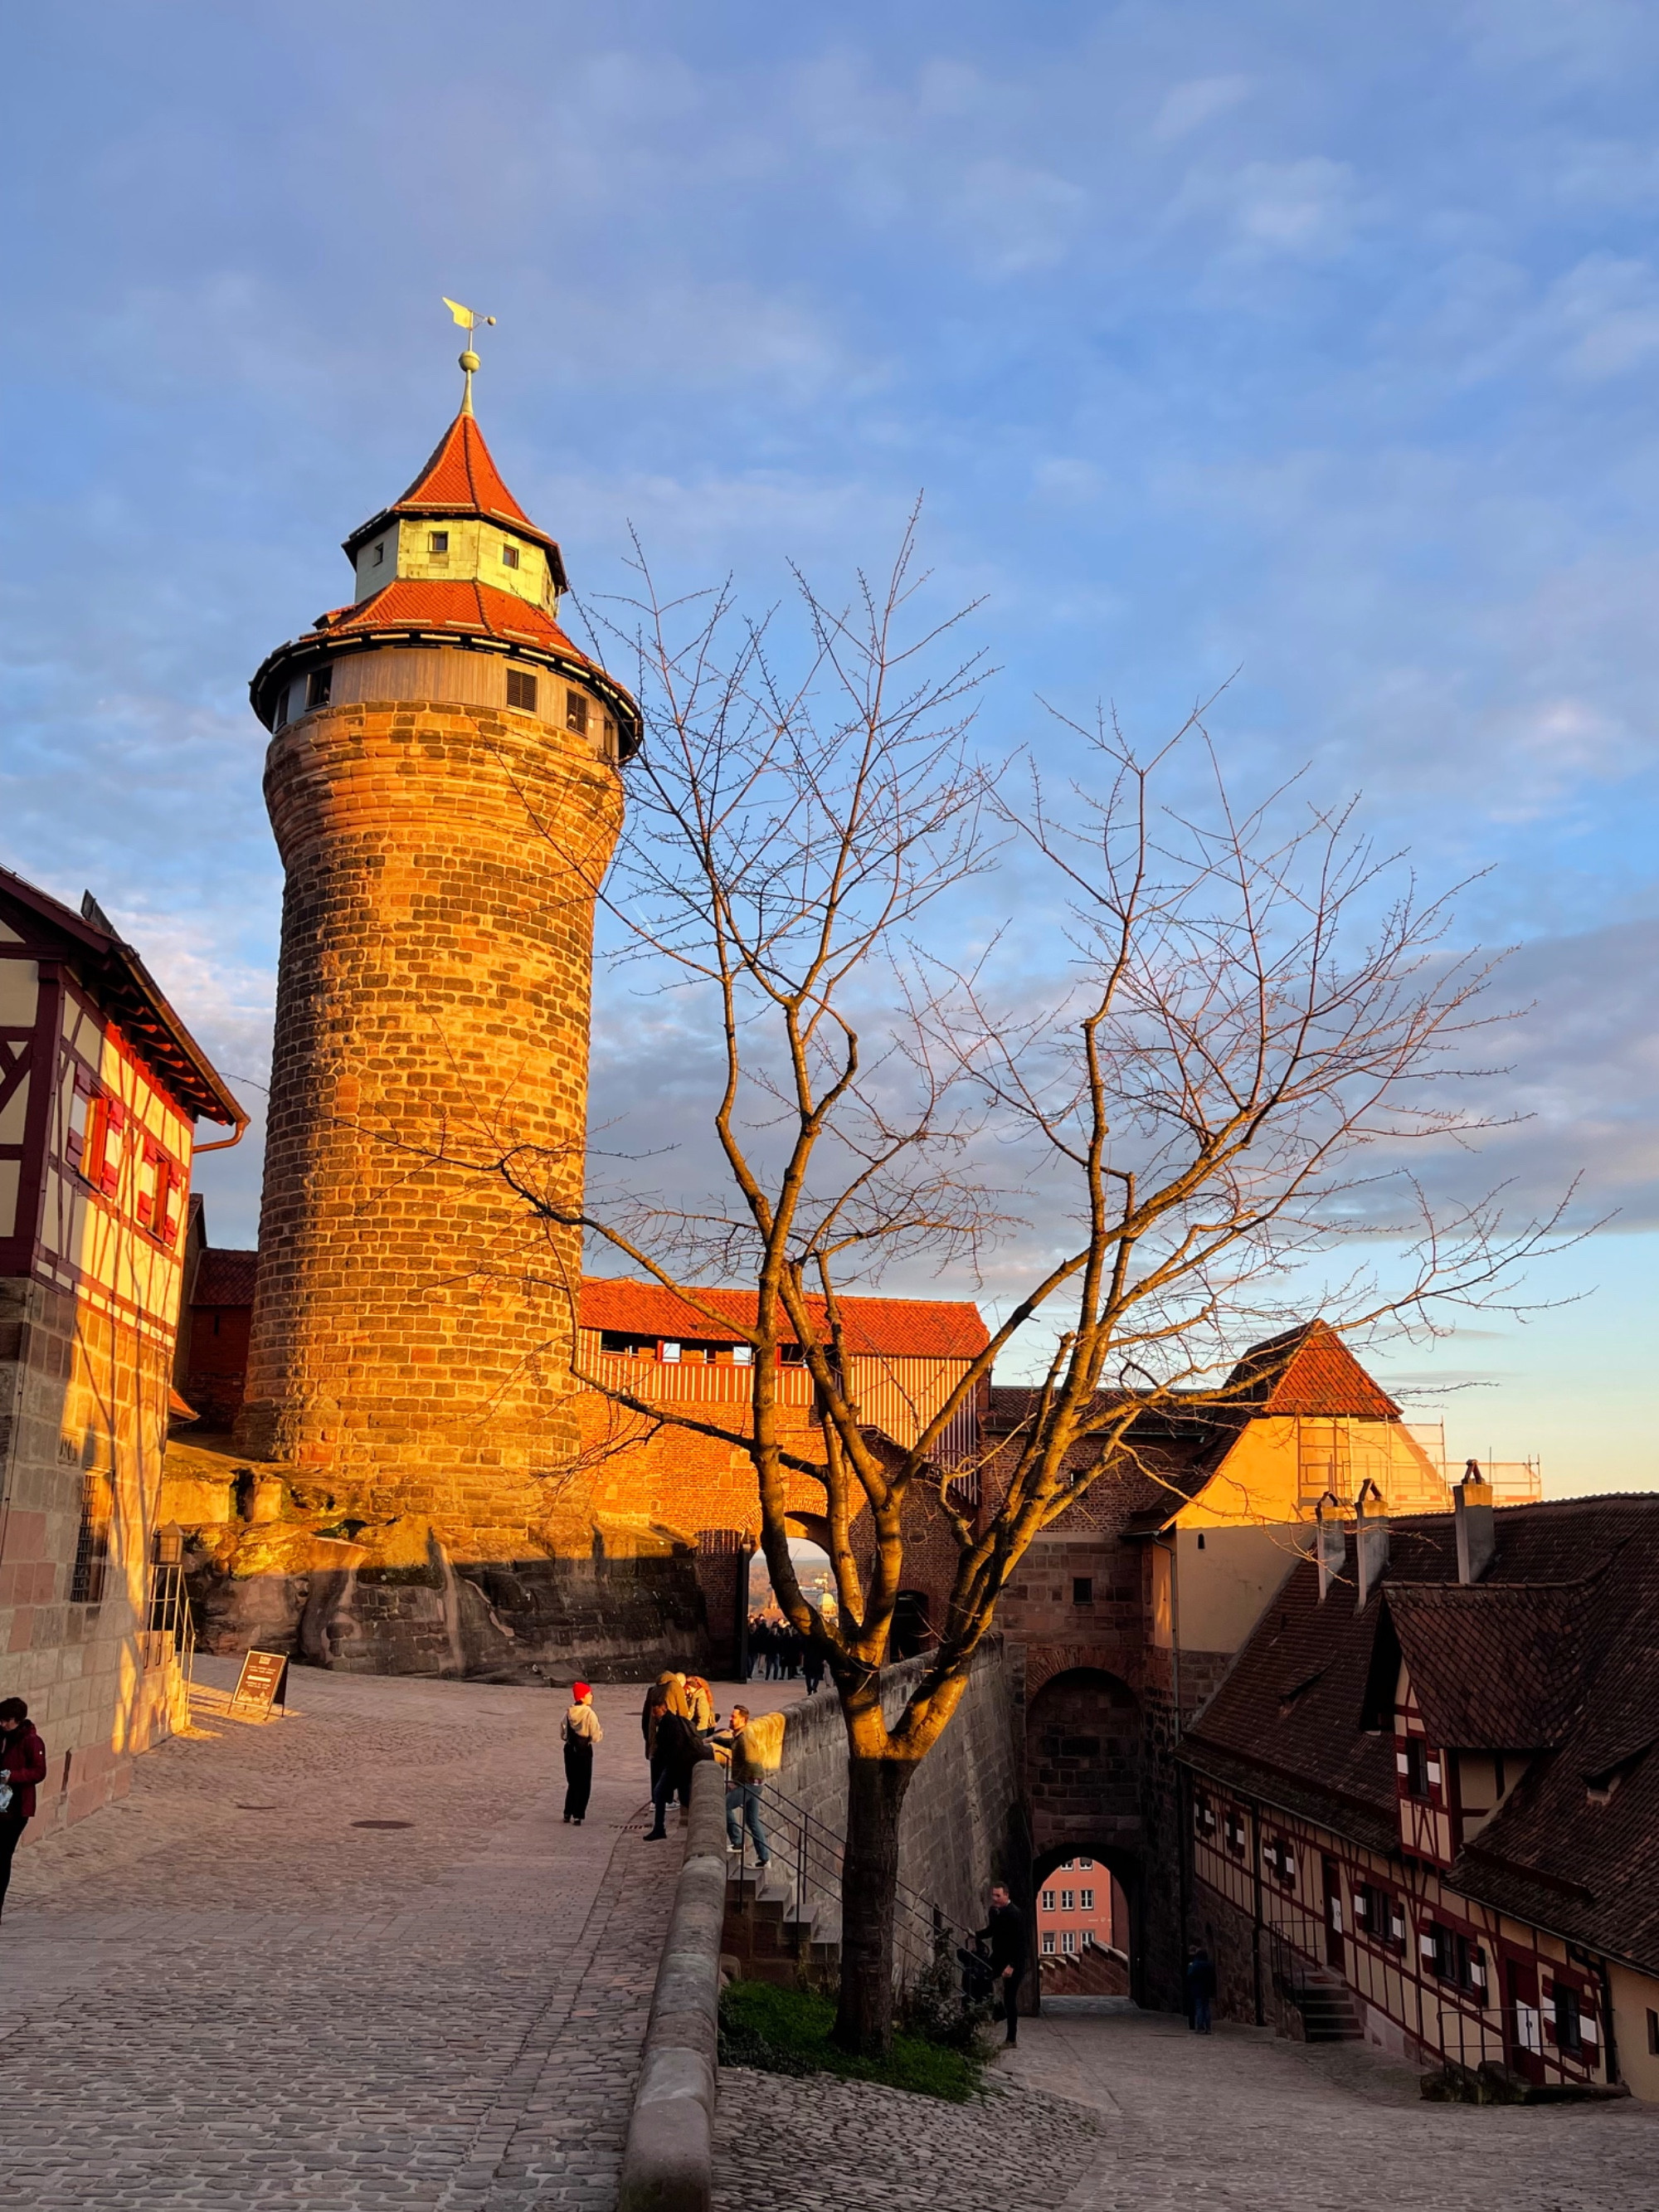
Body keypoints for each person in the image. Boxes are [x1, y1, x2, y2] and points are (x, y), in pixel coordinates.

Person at [0, 1698, 46, 1923]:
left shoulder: (31, 1741)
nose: (3, 1724)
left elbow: (39, 1772)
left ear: (18, 1720)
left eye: (7, 1721)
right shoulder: (2, 1737)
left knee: (2, 1856)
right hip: (0, 1803)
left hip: (16, 1808)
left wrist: (13, 1776)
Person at [713, 1703, 771, 1866]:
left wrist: (736, 1783)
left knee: (723, 1805)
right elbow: (732, 1743)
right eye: (731, 1716)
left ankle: (738, 1842)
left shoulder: (745, 1738)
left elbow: (750, 1762)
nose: (731, 1719)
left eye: (734, 1717)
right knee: (752, 1820)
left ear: (743, 1720)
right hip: (755, 1782)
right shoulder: (740, 1736)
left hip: (750, 1783)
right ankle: (764, 1858)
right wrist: (715, 1739)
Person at [646, 1699, 710, 1840]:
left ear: (663, 1708)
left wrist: (661, 1760)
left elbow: (672, 1747)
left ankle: (659, 1829)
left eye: (655, 1710)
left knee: (660, 1793)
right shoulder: (670, 1721)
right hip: (682, 1765)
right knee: (684, 1798)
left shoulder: (668, 1724)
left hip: (677, 1766)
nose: (653, 1714)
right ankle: (661, 1828)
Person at [978, 1882, 1027, 2046]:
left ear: (1006, 1895)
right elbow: (992, 1930)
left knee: (1010, 1998)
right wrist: (976, 1935)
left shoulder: (1015, 1914)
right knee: (982, 1978)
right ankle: (998, 2011)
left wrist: (1011, 1965)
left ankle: (1011, 2038)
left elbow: (1021, 1944)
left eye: (998, 1896)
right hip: (998, 1958)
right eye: (993, 1895)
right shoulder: (994, 1911)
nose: (995, 1899)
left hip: (1015, 1962)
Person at [561, 1683, 601, 1825]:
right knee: (584, 1783)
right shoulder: (589, 1713)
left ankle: (567, 1812)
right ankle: (578, 1814)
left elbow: (563, 1733)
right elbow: (595, 1735)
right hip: (584, 1750)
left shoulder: (569, 1712)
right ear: (583, 1697)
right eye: (589, 1694)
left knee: (573, 1782)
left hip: (570, 1750)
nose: (591, 1696)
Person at [1186, 1942, 1217, 2033]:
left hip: (1197, 1989)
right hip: (1207, 1989)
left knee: (1199, 2007)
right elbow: (1213, 1977)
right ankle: (1208, 2027)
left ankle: (1200, 2027)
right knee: (1206, 2008)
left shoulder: (1195, 1965)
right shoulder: (1209, 1965)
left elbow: (1190, 1975)